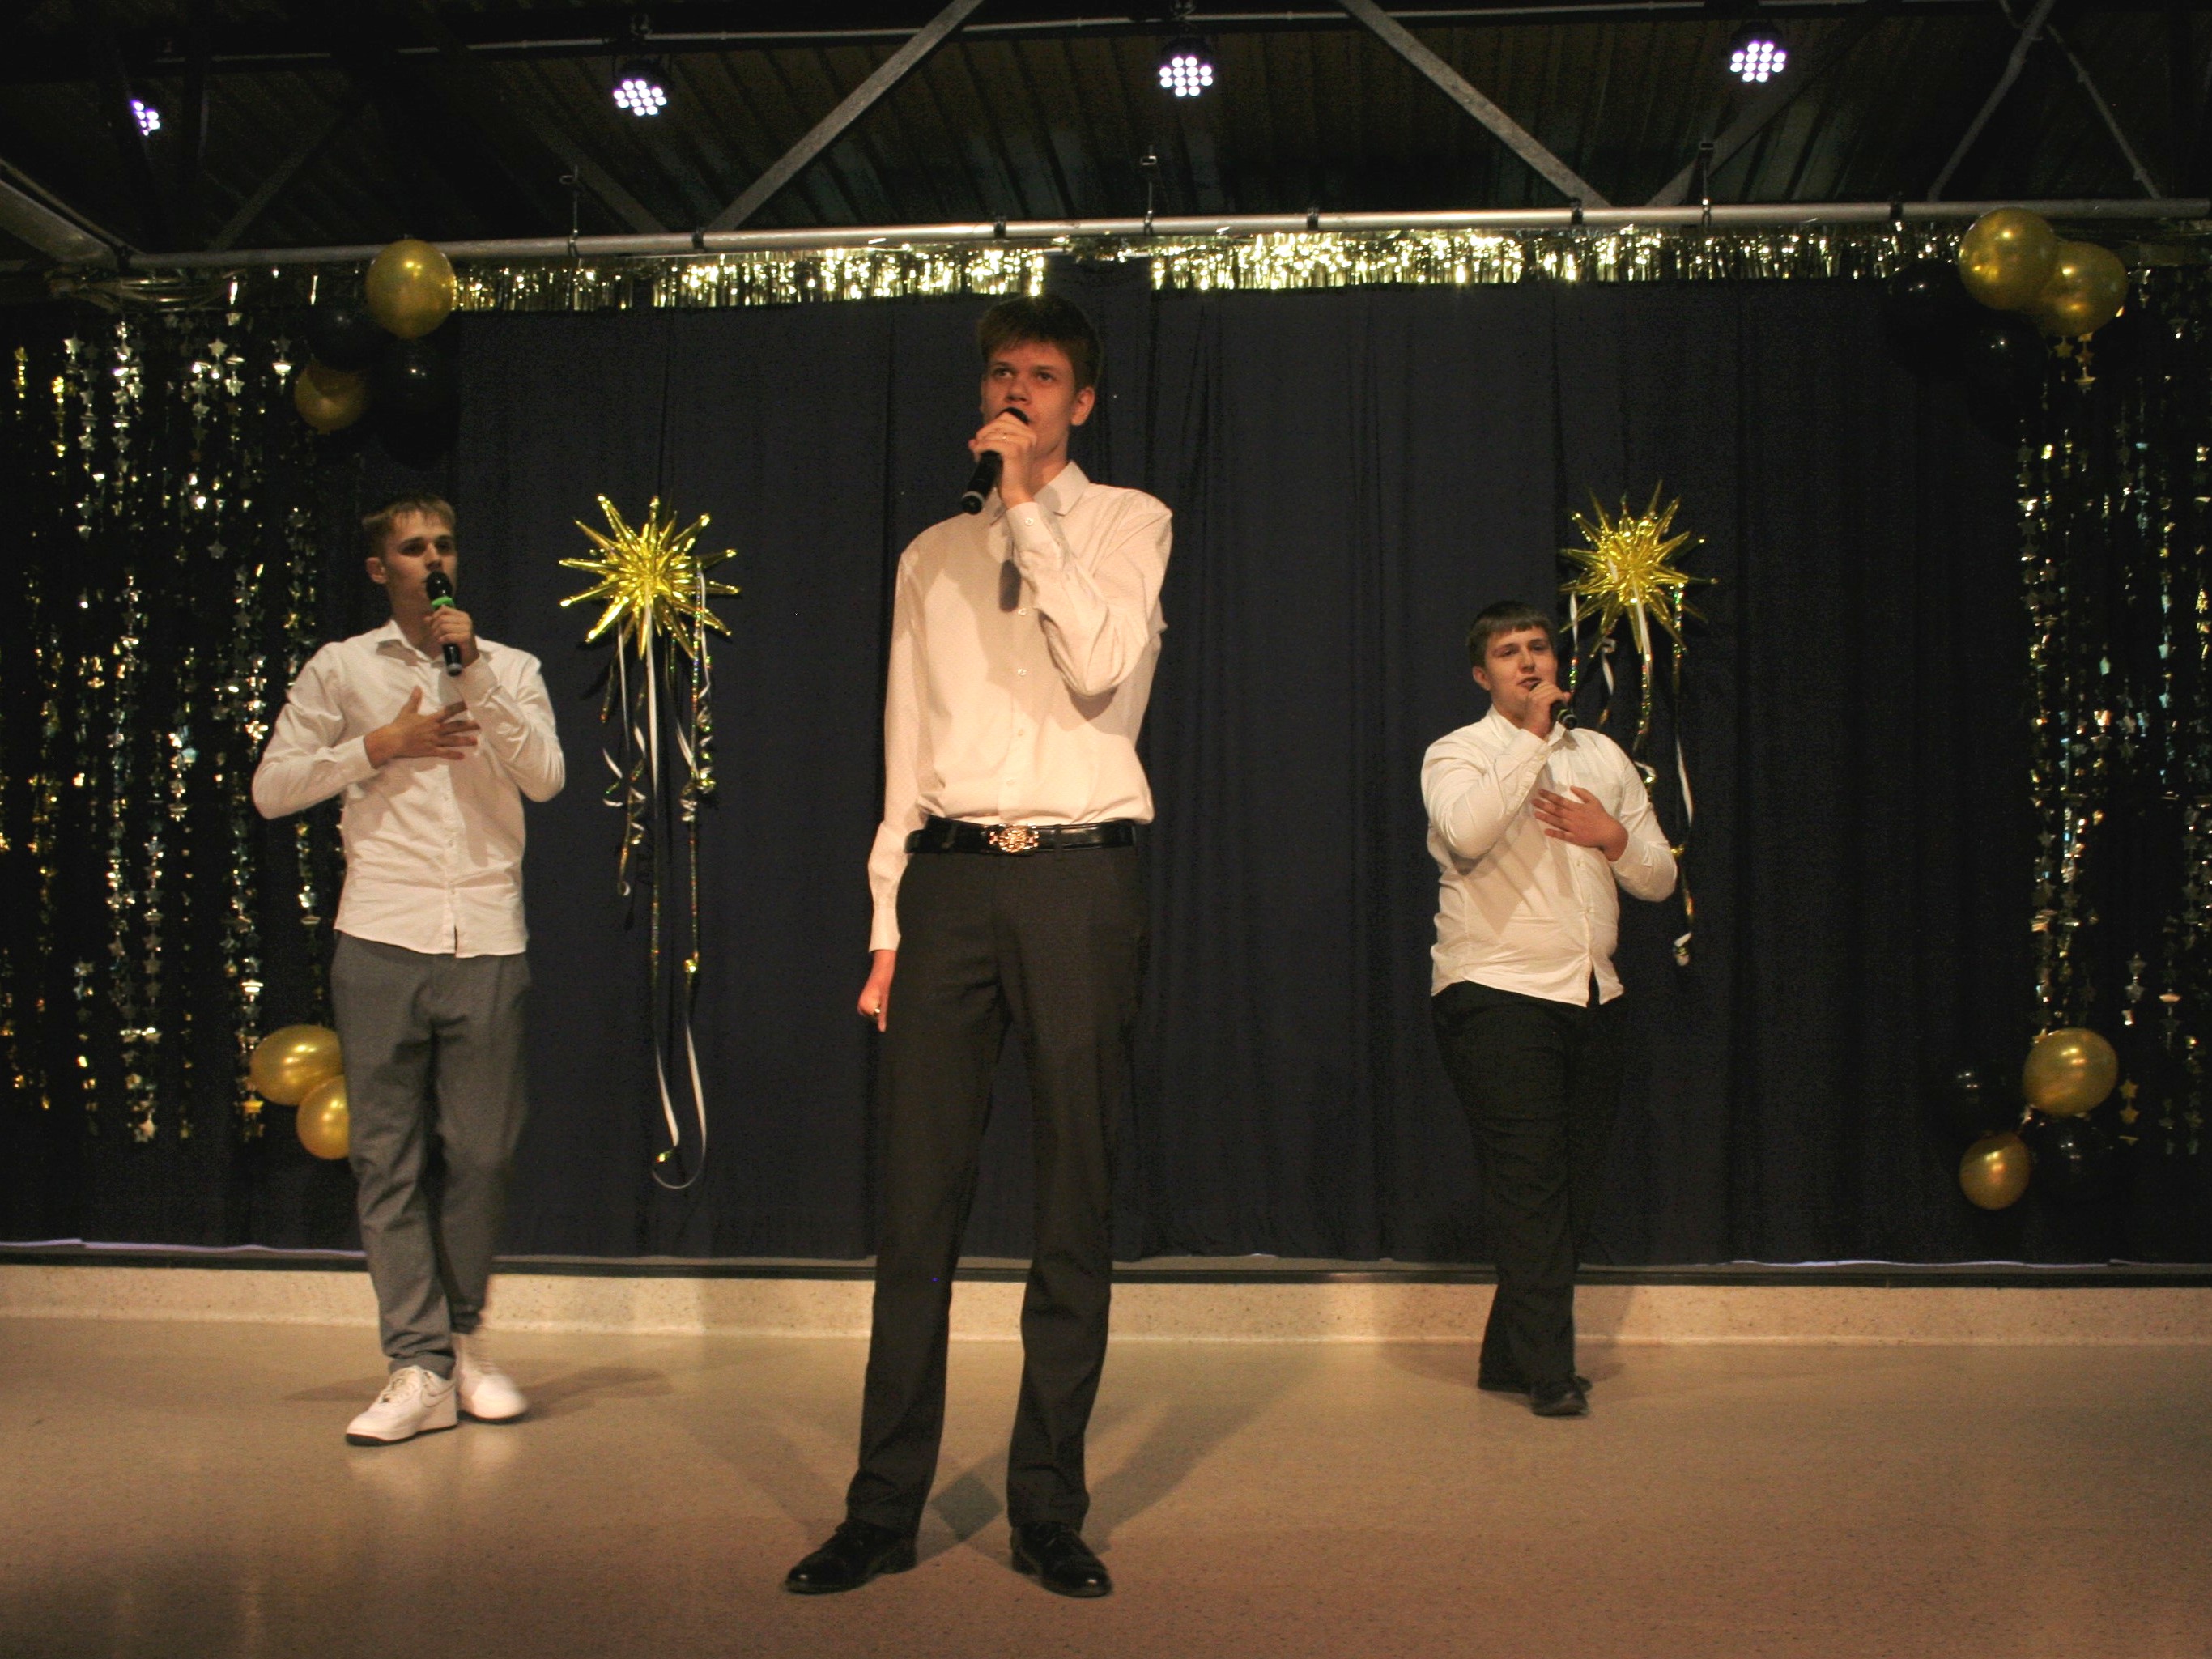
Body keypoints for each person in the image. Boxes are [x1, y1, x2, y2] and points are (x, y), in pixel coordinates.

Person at [785, 295, 1171, 1599]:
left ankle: (1047, 1509)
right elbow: (905, 746)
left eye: (1043, 376)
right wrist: (886, 923)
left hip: (1079, 878)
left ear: (1082, 402)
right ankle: (881, 1510)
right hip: (948, 883)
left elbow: (1102, 663)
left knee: (1074, 1200)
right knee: (916, 1210)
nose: (1017, 391)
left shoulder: (1131, 522)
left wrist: (1026, 512)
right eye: (1003, 372)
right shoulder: (929, 554)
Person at [253, 494, 564, 1445]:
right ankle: (417, 1363)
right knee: (386, 1157)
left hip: (487, 935)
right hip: (381, 934)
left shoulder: (509, 667)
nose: (433, 559)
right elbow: (272, 790)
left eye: (444, 545)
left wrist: (476, 678)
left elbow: (545, 778)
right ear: (379, 567)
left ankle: (462, 1339)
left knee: (482, 1152)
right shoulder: (340, 668)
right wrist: (380, 746)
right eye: (413, 547)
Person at [1422, 600, 1676, 1418]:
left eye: (1537, 646)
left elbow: (1659, 876)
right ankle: (1549, 1370)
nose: (1528, 662)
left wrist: (1610, 836)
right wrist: (1530, 738)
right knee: (1528, 1180)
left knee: (1570, 1186)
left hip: (1592, 991)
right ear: (1482, 674)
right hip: (1496, 990)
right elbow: (1466, 833)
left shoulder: (1600, 754)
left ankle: (1509, 1354)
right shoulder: (1457, 753)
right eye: (1508, 653)